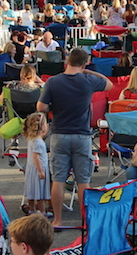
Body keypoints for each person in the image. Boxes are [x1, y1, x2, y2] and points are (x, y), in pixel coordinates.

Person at [37, 48, 111, 228]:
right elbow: (109, 84)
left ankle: (58, 220)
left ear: (67, 61)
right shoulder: (88, 80)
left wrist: (51, 108)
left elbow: (41, 107)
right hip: (82, 136)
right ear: (84, 64)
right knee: (83, 180)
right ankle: (85, 221)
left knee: (58, 179)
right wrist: (88, 71)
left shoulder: (53, 82)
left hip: (60, 134)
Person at [20, 113, 50, 217]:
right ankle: (42, 212)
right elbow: (36, 156)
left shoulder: (32, 138)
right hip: (38, 169)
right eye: (45, 123)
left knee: (32, 190)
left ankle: (32, 209)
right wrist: (41, 171)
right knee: (40, 193)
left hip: (31, 169)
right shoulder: (38, 142)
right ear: (41, 126)